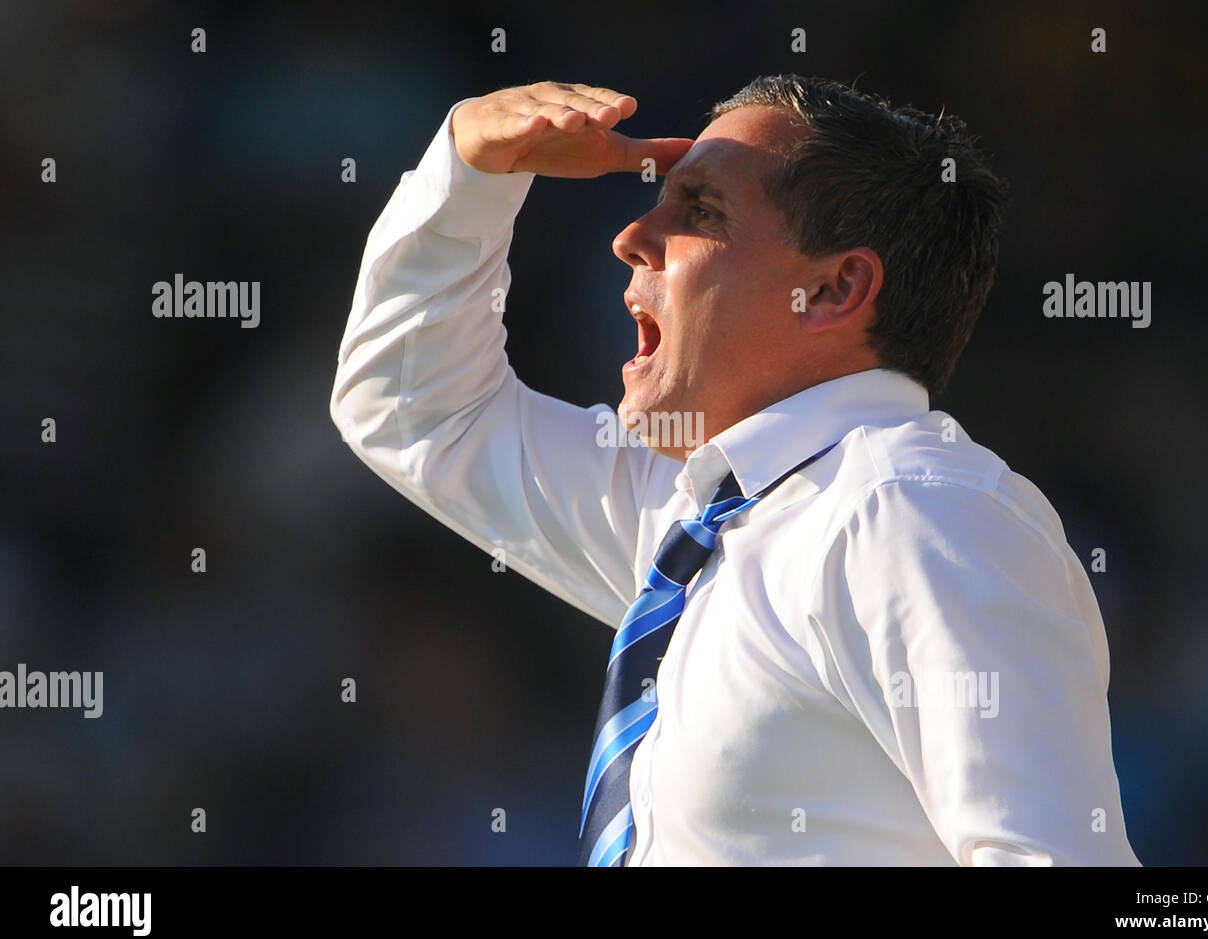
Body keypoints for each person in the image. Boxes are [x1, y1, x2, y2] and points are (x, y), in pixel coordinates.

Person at [329, 74, 1141, 866]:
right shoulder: (698, 521)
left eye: (701, 210)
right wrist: (470, 174)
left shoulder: (913, 511)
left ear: (833, 287)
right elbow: (422, 413)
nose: (630, 239)